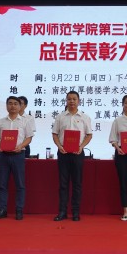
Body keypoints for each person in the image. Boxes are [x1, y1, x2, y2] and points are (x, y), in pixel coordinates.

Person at [0, 96, 35, 220]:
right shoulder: (1, 121)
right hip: (3, 155)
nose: (13, 106)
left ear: (20, 106)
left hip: (18, 155)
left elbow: (29, 138)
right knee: (2, 184)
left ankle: (19, 210)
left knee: (20, 184)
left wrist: (21, 146)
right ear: (6, 106)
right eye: (10, 103)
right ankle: (2, 210)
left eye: (16, 104)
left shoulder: (25, 121)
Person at [52, 91, 93, 221]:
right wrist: (59, 146)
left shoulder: (84, 117)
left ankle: (75, 212)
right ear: (66, 101)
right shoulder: (60, 117)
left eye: (74, 99)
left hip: (77, 154)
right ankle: (62, 212)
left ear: (79, 101)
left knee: (77, 184)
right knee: (63, 184)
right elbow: (55, 134)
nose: (72, 101)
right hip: (63, 153)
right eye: (69, 99)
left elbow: (89, 135)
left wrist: (81, 146)